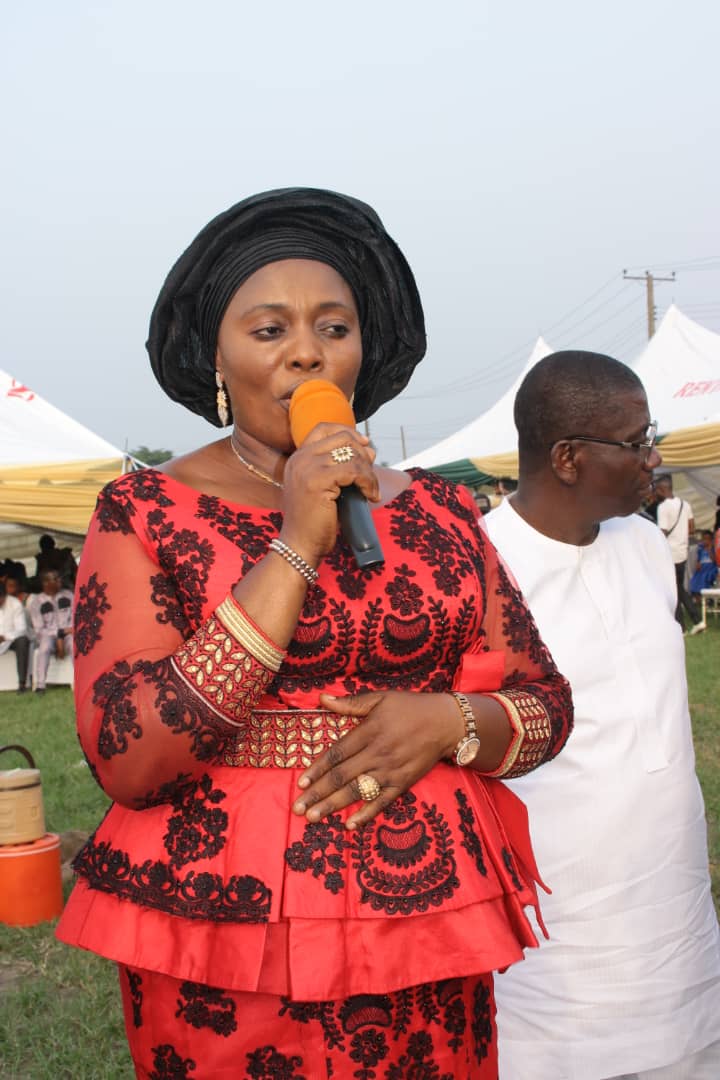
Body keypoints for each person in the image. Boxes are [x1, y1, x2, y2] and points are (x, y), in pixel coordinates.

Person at [57, 188, 573, 1078]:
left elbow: (547, 707)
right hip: (227, 937)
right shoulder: (145, 509)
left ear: (362, 352)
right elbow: (127, 754)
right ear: (216, 359)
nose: (307, 350)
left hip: (425, 928)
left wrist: (450, 721)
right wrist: (297, 542)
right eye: (270, 330)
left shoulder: (443, 511)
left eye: (334, 327)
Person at [485, 351, 720, 1080]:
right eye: (637, 441)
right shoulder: (481, 565)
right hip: (555, 965)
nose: (654, 458)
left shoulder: (646, 544)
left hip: (679, 931)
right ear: (567, 458)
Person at [654, 473, 705, 634]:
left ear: (662, 489)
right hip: (682, 552)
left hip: (669, 553)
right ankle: (686, 624)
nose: (655, 493)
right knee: (677, 588)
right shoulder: (685, 504)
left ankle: (693, 621)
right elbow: (692, 528)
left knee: (675, 589)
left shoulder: (663, 508)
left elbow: (662, 533)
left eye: (656, 490)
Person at [26, 569, 74, 692]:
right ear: (46, 583)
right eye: (56, 579)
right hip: (48, 635)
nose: (60, 581)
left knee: (74, 645)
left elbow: (75, 618)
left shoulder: (69, 595)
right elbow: (39, 629)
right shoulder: (36, 602)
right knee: (44, 647)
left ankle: (80, 680)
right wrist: (58, 634)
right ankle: (40, 685)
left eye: (59, 578)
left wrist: (64, 634)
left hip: (68, 633)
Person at [0, 578, 31, 692]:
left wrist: (4, 637)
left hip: (10, 641)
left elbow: (21, 629)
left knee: (22, 640)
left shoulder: (15, 604)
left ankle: (22, 683)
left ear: (4, 596)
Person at [689, 529, 717, 594]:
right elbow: (699, 559)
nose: (706, 541)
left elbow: (714, 560)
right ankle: (697, 594)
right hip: (702, 569)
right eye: (704, 539)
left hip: (710, 568)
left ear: (711, 540)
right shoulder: (701, 549)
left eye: (708, 539)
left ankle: (705, 594)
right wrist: (698, 563)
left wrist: (709, 549)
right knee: (694, 581)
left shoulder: (713, 549)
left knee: (706, 578)